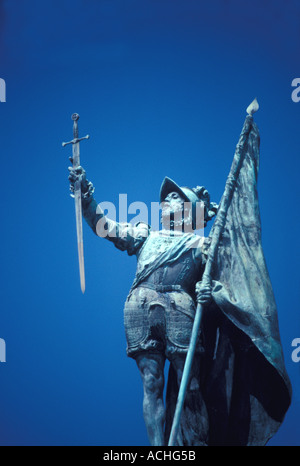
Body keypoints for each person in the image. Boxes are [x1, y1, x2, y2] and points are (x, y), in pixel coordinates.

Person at [68, 115, 291, 445]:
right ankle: (158, 449)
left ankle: (195, 444)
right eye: (166, 199)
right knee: (151, 383)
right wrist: (84, 194)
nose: (167, 201)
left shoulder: (203, 246)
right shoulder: (144, 234)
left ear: (190, 209)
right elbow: (104, 225)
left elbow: (229, 281)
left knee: (191, 386)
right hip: (139, 303)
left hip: (180, 305)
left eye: (175, 198)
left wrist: (210, 292)